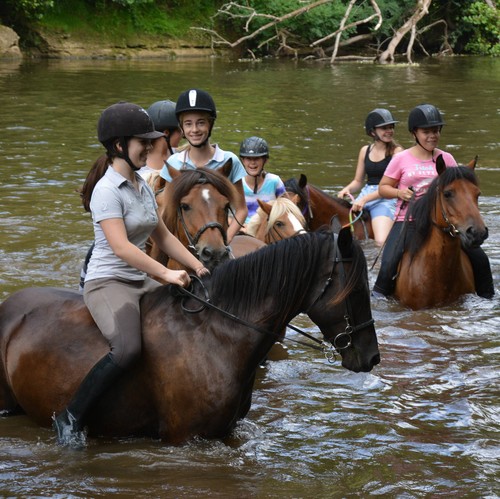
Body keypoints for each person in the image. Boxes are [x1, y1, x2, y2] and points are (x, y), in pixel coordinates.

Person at [54, 101, 210, 448]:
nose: (152, 148)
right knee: (126, 349)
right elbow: (122, 248)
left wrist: (197, 266)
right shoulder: (106, 191)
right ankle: (71, 416)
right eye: (144, 142)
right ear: (120, 145)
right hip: (109, 282)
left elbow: (163, 236)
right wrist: (166, 276)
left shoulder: (141, 183)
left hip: (142, 278)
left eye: (152, 141)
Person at [372, 103, 494, 299]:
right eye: (426, 131)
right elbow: (383, 187)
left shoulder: (447, 158)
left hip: (444, 221)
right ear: (414, 133)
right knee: (388, 263)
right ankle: (378, 300)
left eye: (436, 131)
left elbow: (460, 189)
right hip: (408, 221)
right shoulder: (401, 159)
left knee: (480, 258)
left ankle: (488, 299)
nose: (432, 136)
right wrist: (399, 193)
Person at [159, 88, 247, 243]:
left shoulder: (229, 160)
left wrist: (226, 239)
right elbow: (168, 210)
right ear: (182, 129)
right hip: (184, 242)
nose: (194, 129)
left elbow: (241, 209)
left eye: (201, 123)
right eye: (188, 124)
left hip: (217, 241)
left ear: (210, 124)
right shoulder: (174, 163)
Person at [338, 109, 404, 246]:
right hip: (366, 194)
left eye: (391, 127)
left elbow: (391, 186)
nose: (390, 130)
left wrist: (364, 199)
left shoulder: (397, 152)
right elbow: (358, 181)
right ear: (373, 132)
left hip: (386, 198)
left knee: (380, 241)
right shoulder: (365, 151)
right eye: (384, 128)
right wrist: (347, 189)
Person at [239, 136, 286, 224]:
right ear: (242, 160)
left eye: (257, 158)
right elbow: (229, 216)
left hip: (268, 231)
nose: (252, 163)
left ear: (265, 160)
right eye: (248, 158)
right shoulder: (236, 184)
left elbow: (285, 211)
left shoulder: (275, 181)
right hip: (242, 231)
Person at [139, 99, 182, 181]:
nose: (182, 135)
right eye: (179, 131)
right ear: (166, 133)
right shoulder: (141, 173)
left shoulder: (181, 155)